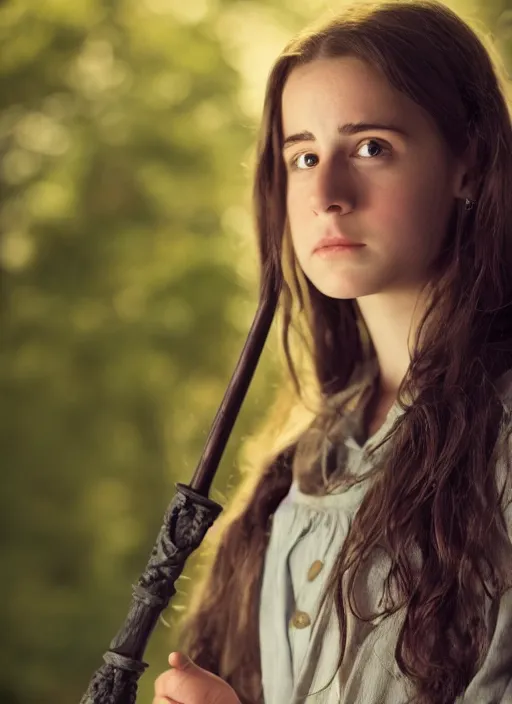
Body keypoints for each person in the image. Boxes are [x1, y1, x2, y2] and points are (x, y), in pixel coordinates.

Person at [152, 0, 512, 702]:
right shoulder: (304, 463)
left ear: (468, 165)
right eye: (304, 155)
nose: (326, 194)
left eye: (372, 147)